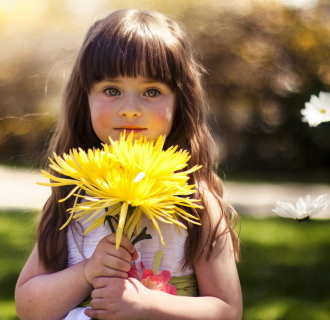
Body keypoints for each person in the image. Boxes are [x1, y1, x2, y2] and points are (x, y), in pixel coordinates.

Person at [15, 9, 242, 320]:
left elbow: (228, 311)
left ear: (180, 101)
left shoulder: (194, 201)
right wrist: (86, 271)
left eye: (152, 91)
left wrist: (147, 305)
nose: (131, 110)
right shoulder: (73, 195)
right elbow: (28, 307)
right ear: (86, 99)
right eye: (112, 90)